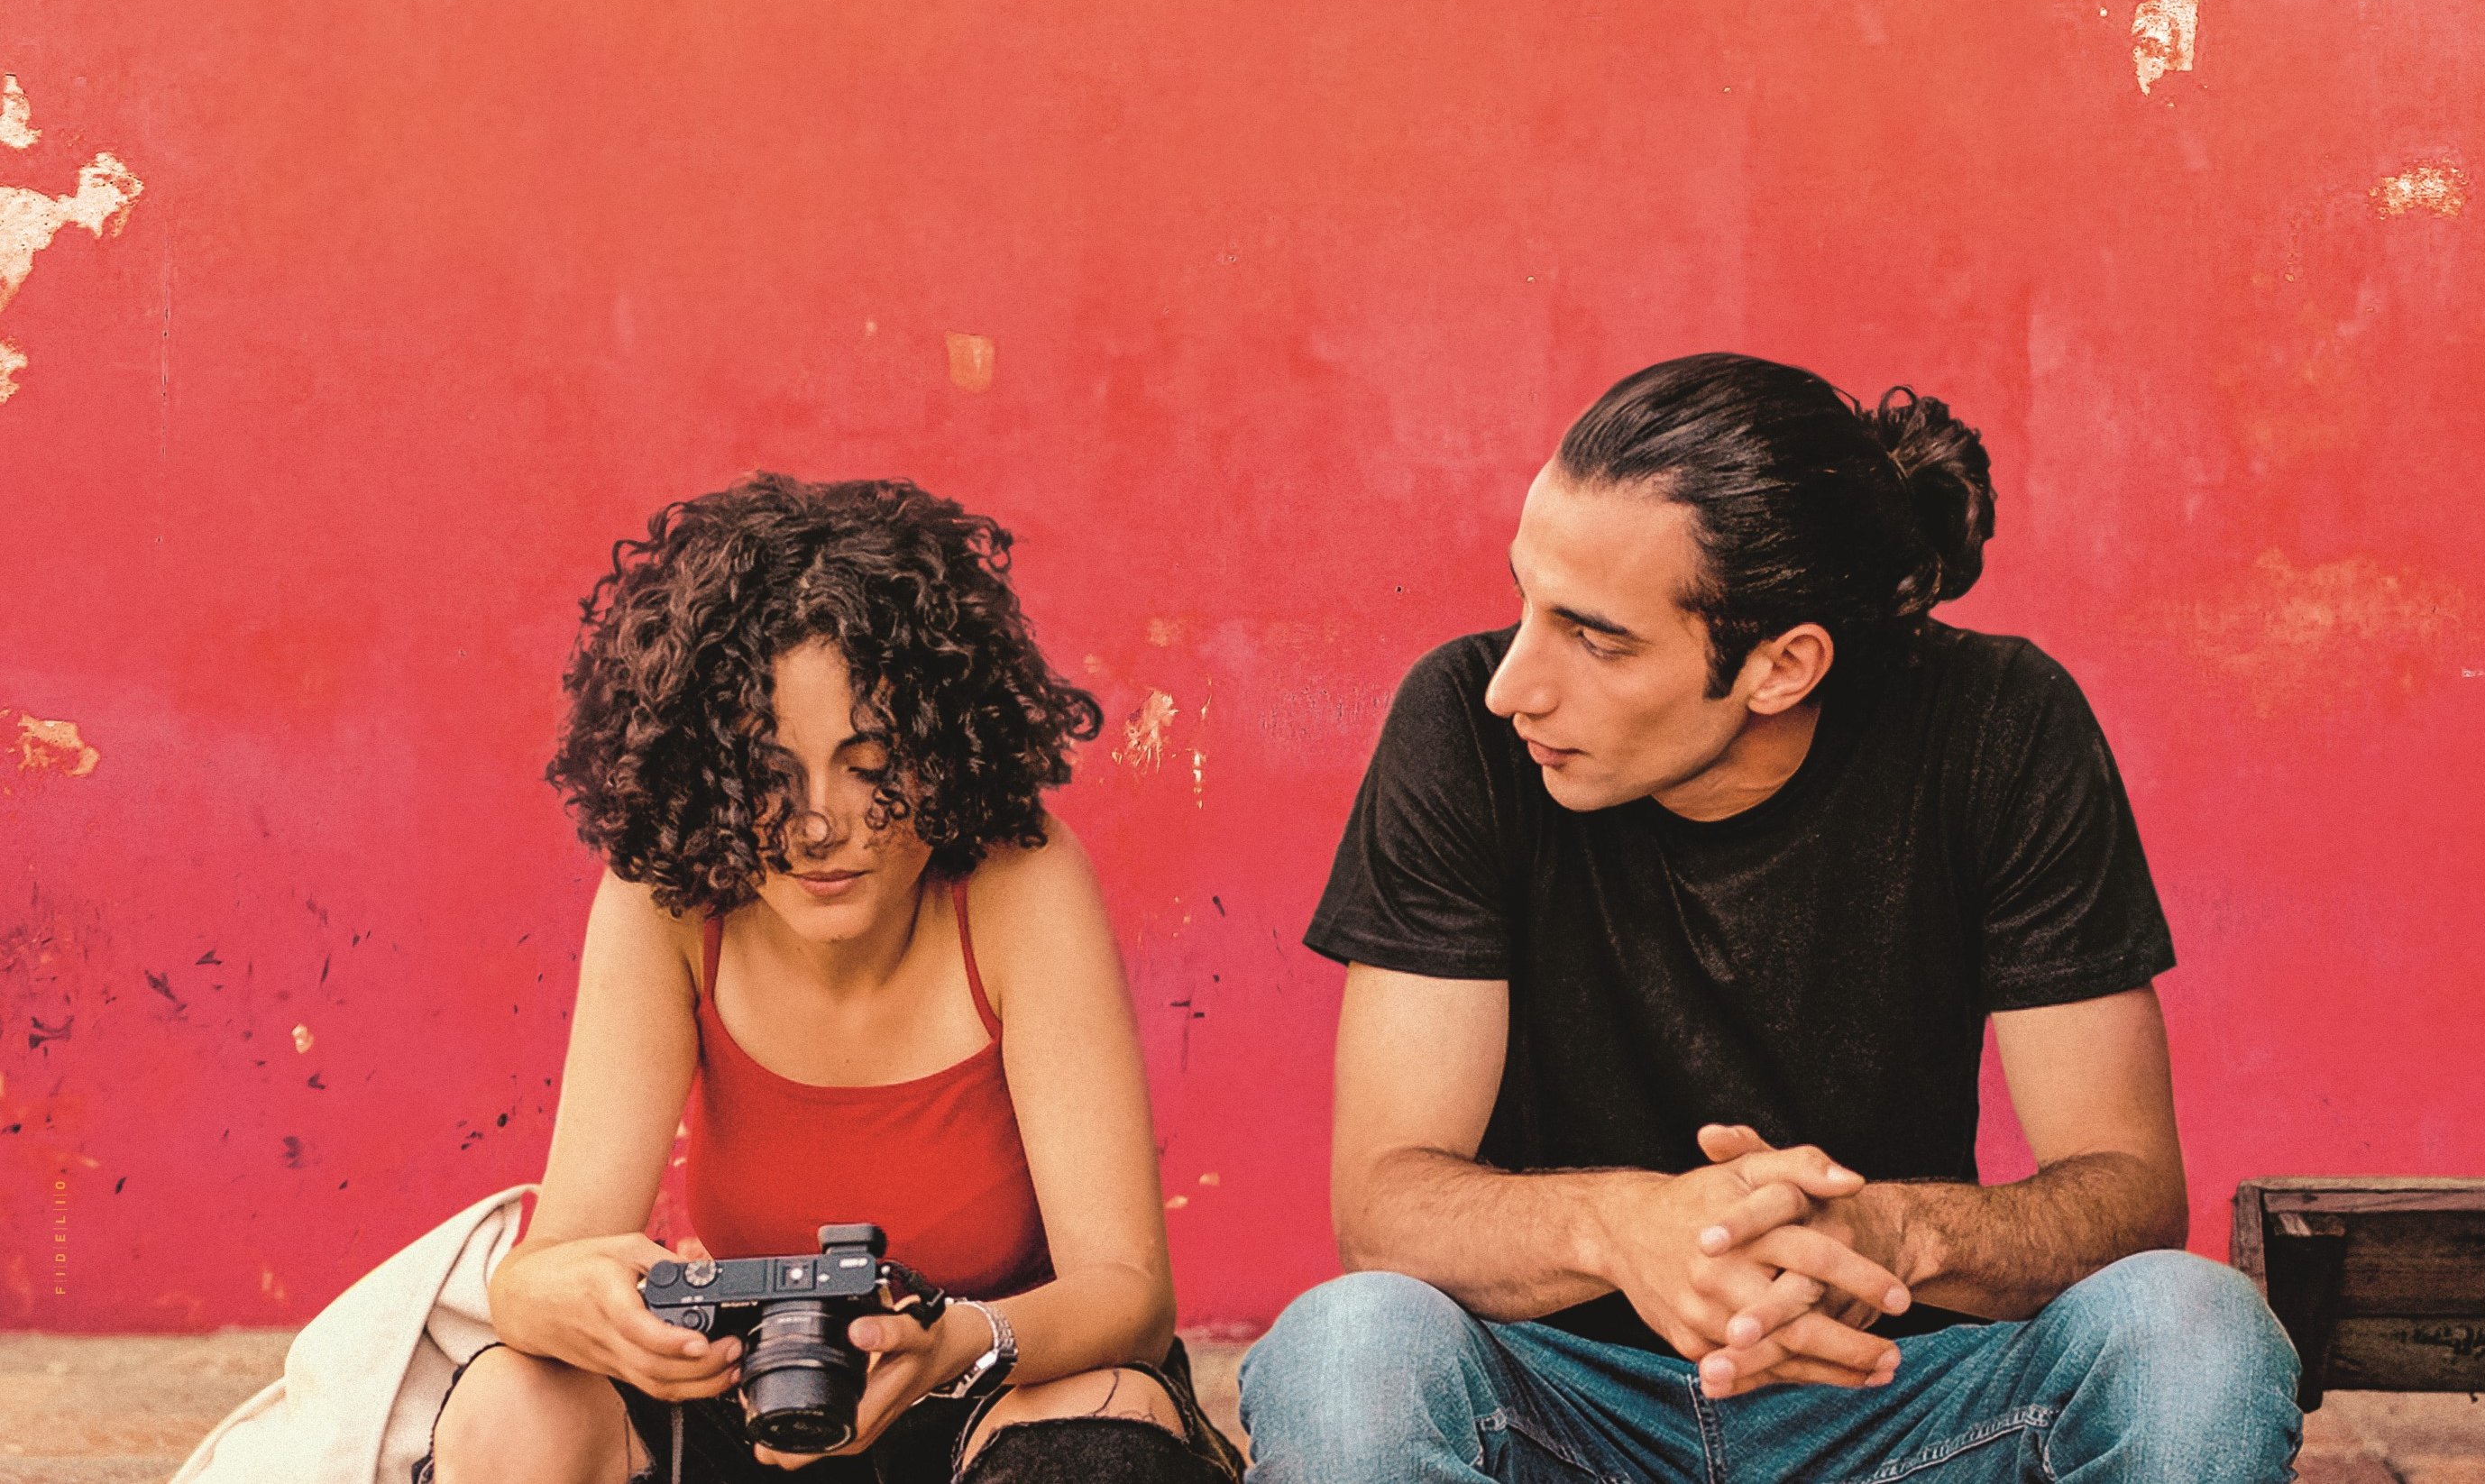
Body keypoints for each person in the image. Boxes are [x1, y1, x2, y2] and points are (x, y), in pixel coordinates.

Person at [1240, 354, 2303, 1481]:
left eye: (1595, 639)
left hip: (1904, 1399)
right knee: (1347, 1345)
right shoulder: (1464, 724)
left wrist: (1888, 1238)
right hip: (1558, 1401)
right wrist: (1631, 1231)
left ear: (1783, 666)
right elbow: (1385, 1204)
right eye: (1525, 601)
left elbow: (2129, 1191)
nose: (1517, 682)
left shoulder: (1998, 724)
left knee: (2197, 1329)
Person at [416, 475, 1245, 1484]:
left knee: (1094, 1429)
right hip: (751, 1401)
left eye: (870, 762)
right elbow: (541, 1276)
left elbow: (1126, 1292)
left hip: (999, 1382)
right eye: (769, 772)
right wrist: (588, 1310)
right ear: (705, 769)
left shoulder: (1020, 881)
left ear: (947, 752)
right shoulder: (666, 900)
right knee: (512, 1401)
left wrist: (950, 1341)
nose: (817, 825)